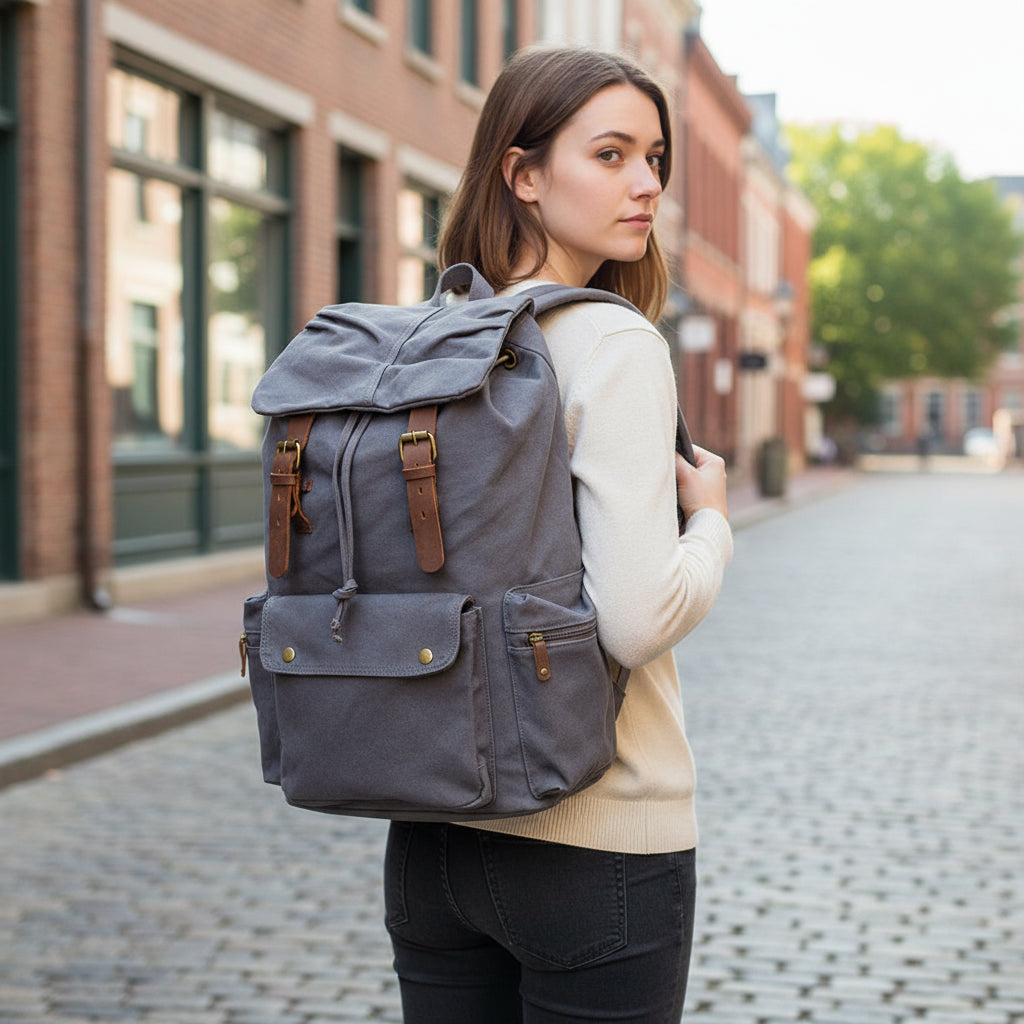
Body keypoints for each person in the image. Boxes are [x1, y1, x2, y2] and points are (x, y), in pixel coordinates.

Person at [383, 46, 733, 1024]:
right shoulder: (612, 342)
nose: (646, 183)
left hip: (432, 832)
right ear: (523, 174)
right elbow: (632, 619)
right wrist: (708, 528)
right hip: (598, 839)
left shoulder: (434, 339)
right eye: (611, 154)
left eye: (655, 157)